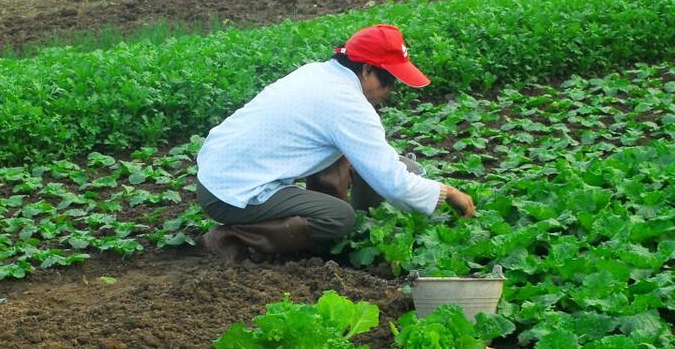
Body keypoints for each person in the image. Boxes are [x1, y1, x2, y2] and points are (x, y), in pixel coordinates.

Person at [196, 23, 477, 263]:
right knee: (339, 218)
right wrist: (449, 193)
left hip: (221, 171)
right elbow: (394, 184)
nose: (391, 90)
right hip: (232, 193)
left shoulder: (318, 73)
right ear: (367, 70)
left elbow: (381, 162)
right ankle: (235, 239)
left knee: (392, 166)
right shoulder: (348, 105)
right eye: (389, 79)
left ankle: (344, 220)